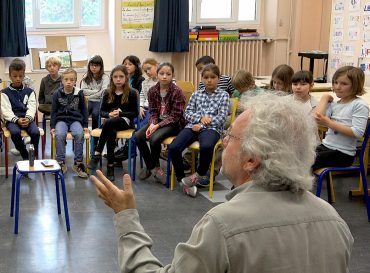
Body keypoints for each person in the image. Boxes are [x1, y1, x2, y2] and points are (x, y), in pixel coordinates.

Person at [91, 92, 353, 273]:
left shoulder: (224, 225)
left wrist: (126, 217)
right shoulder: (334, 220)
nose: (224, 142)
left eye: (229, 136)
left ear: (251, 159)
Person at [169, 64, 229, 197]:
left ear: (218, 78)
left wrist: (202, 125)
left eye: (213, 77)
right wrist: (201, 118)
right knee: (174, 147)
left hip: (212, 129)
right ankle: (182, 180)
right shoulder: (196, 94)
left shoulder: (224, 95)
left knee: (207, 146)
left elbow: (221, 118)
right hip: (193, 127)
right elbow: (187, 113)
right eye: (206, 77)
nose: (209, 80)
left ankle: (198, 174)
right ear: (202, 78)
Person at [135, 62, 185, 184]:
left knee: (154, 138)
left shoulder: (177, 91)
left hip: (174, 124)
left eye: (168, 74)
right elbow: (153, 112)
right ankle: (153, 167)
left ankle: (151, 168)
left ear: (172, 75)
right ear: (157, 75)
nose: (164, 76)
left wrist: (156, 126)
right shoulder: (152, 90)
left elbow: (175, 116)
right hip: (158, 121)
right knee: (138, 136)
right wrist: (152, 123)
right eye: (161, 73)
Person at [312, 66, 369, 170]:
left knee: (307, 161)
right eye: (335, 82)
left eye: (344, 84)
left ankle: (296, 186)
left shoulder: (359, 105)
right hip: (326, 147)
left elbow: (357, 132)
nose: (337, 87)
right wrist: (324, 99)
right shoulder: (334, 104)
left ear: (356, 86)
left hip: (343, 154)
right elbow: (317, 118)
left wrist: (329, 123)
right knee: (299, 156)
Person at [88, 65, 138, 181]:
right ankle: (110, 166)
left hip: (125, 122)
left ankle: (97, 153)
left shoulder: (131, 93)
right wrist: (109, 114)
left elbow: (134, 113)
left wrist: (121, 114)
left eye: (121, 76)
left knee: (109, 124)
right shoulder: (107, 92)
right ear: (112, 79)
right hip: (110, 123)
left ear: (126, 78)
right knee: (111, 131)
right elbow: (102, 112)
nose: (118, 79)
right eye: (115, 77)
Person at [50, 68, 89, 178]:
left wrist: (85, 125)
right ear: (62, 81)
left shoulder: (79, 93)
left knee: (79, 134)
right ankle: (61, 162)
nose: (68, 82)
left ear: (75, 81)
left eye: (71, 80)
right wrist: (53, 126)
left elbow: (84, 110)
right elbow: (53, 111)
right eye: (66, 79)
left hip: (75, 120)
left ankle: (78, 163)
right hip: (61, 120)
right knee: (60, 134)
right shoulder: (57, 94)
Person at [1, 58, 40, 160]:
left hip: (27, 119)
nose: (18, 78)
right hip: (12, 120)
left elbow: (32, 107)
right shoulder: (4, 92)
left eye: (20, 76)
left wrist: (28, 118)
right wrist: (17, 120)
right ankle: (25, 154)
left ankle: (33, 153)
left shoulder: (30, 91)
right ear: (10, 76)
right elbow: (6, 110)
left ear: (24, 75)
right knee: (14, 132)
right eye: (15, 76)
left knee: (36, 132)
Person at [81, 55, 110, 131]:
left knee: (95, 114)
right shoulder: (86, 76)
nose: (94, 67)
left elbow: (103, 93)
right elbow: (83, 90)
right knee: (83, 113)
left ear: (101, 66)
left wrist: (89, 96)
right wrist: (97, 91)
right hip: (88, 101)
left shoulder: (105, 77)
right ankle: (83, 133)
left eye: (96, 65)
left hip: (99, 101)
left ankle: (95, 137)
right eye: (92, 65)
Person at [140, 58, 159, 126]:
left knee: (143, 124)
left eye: (149, 68)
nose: (147, 72)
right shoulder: (145, 83)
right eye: (145, 71)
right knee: (133, 119)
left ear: (157, 66)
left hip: (155, 110)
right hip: (145, 108)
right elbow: (142, 96)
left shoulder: (165, 81)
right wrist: (140, 106)